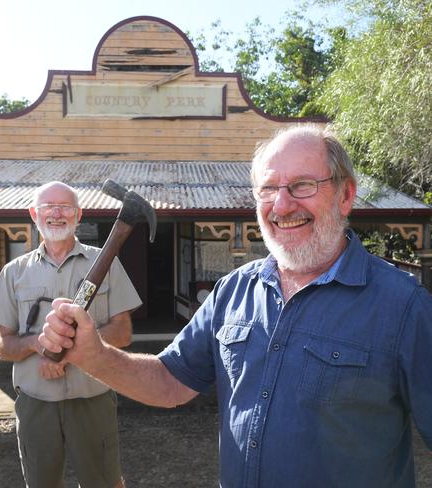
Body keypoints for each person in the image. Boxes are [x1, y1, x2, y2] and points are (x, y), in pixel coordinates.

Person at [40, 125, 432, 488]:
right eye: (268, 188)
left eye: (303, 185)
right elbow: (169, 382)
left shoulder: (402, 305)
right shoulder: (233, 291)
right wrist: (93, 355)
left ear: (345, 195)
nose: (282, 204)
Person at [0, 181, 141, 488]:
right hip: (35, 404)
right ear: (34, 214)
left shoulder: (105, 263)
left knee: (104, 484)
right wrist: (38, 344)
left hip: (92, 399)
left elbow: (123, 332)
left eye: (65, 207)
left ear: (78, 214)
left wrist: (66, 353)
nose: (56, 214)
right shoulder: (14, 273)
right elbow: (3, 345)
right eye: (47, 207)